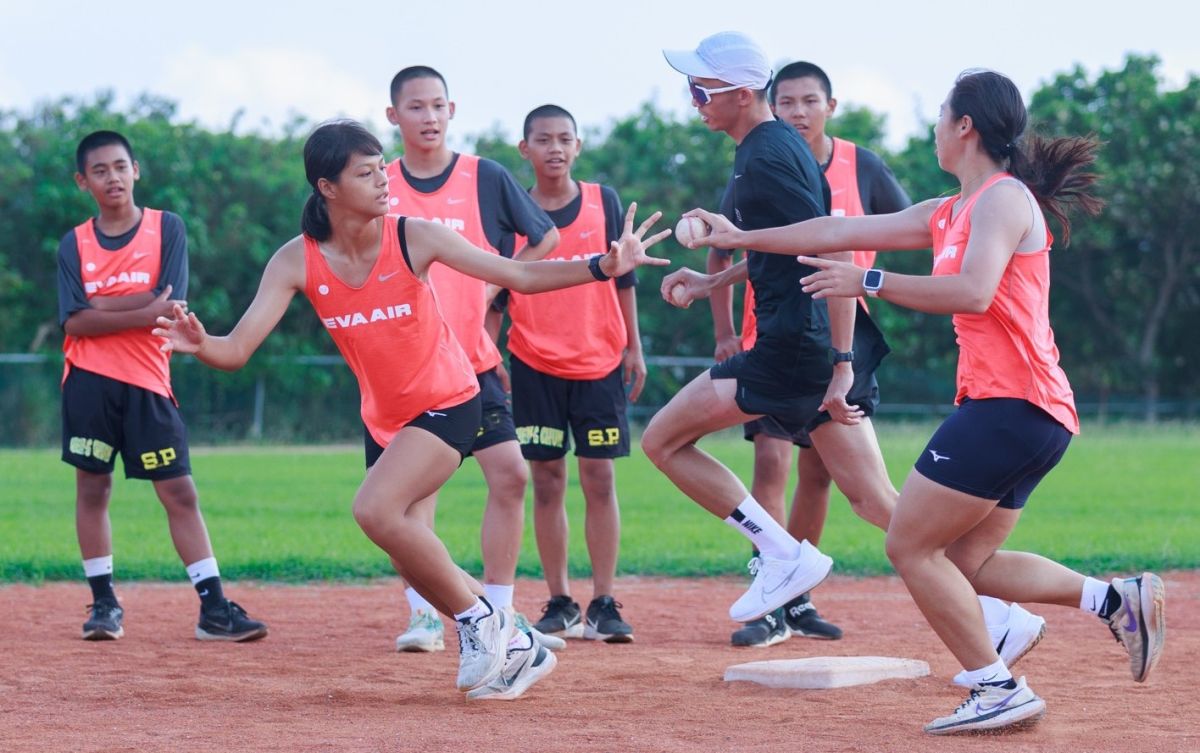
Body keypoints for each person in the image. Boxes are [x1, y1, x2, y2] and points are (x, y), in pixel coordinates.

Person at [689, 69, 1165, 734]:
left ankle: (995, 686)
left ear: (965, 126)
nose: (935, 127)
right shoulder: (949, 209)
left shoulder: (1004, 199)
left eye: (942, 115)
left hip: (1012, 406)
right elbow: (830, 229)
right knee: (966, 562)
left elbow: (972, 291)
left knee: (909, 546)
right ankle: (1116, 600)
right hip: (1019, 412)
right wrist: (739, 239)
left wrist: (869, 280)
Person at [153, 120, 668, 697]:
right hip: (387, 420)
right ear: (327, 187)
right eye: (366, 173)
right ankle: (514, 640)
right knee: (403, 544)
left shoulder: (413, 236)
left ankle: (482, 624)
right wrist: (202, 344)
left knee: (374, 510)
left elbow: (519, 273)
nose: (383, 181)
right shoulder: (296, 260)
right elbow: (236, 350)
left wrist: (602, 266)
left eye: (382, 168)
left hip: (450, 399)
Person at [655, 33, 1044, 668]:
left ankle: (782, 555)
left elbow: (832, 248)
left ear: (741, 93)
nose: (693, 99)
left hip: (797, 347)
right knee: (879, 505)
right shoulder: (769, 149)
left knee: (662, 440)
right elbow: (795, 244)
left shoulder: (769, 154)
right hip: (810, 344)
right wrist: (714, 281)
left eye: (701, 88)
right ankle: (999, 618)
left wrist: (842, 360)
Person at [708, 61, 914, 647]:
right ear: (771, 104)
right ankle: (775, 597)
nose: (798, 111)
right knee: (772, 465)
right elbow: (745, 245)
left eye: (809, 101)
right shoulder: (765, 154)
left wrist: (864, 289)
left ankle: (796, 596)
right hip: (777, 340)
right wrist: (718, 308)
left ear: (831, 106)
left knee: (836, 481)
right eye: (788, 101)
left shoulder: (857, 164)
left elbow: (885, 233)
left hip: (835, 337)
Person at [57, 130, 268, 644]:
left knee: (179, 491)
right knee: (92, 488)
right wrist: (141, 304)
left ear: (136, 170)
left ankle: (213, 609)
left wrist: (103, 304)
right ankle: (104, 604)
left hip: (148, 381)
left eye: (120, 166)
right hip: (88, 381)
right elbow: (75, 321)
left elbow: (171, 307)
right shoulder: (74, 242)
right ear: (83, 181)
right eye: (100, 171)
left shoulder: (165, 227)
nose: (112, 177)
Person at [383, 66, 562, 654]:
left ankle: (502, 613)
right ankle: (424, 616)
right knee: (411, 499)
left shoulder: (483, 177)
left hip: (473, 363)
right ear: (393, 116)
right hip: (407, 371)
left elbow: (545, 238)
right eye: (416, 107)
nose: (429, 117)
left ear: (452, 110)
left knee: (511, 474)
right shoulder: (381, 183)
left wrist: (492, 287)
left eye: (438, 105)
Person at [508, 105, 641, 643]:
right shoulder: (512, 209)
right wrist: (489, 351)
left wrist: (634, 346)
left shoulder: (602, 200)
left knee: (600, 478)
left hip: (599, 358)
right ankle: (560, 599)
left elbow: (624, 279)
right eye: (543, 140)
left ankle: (603, 602)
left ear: (578, 146)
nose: (555, 148)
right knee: (546, 480)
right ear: (525, 149)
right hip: (532, 360)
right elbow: (497, 284)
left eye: (565, 139)